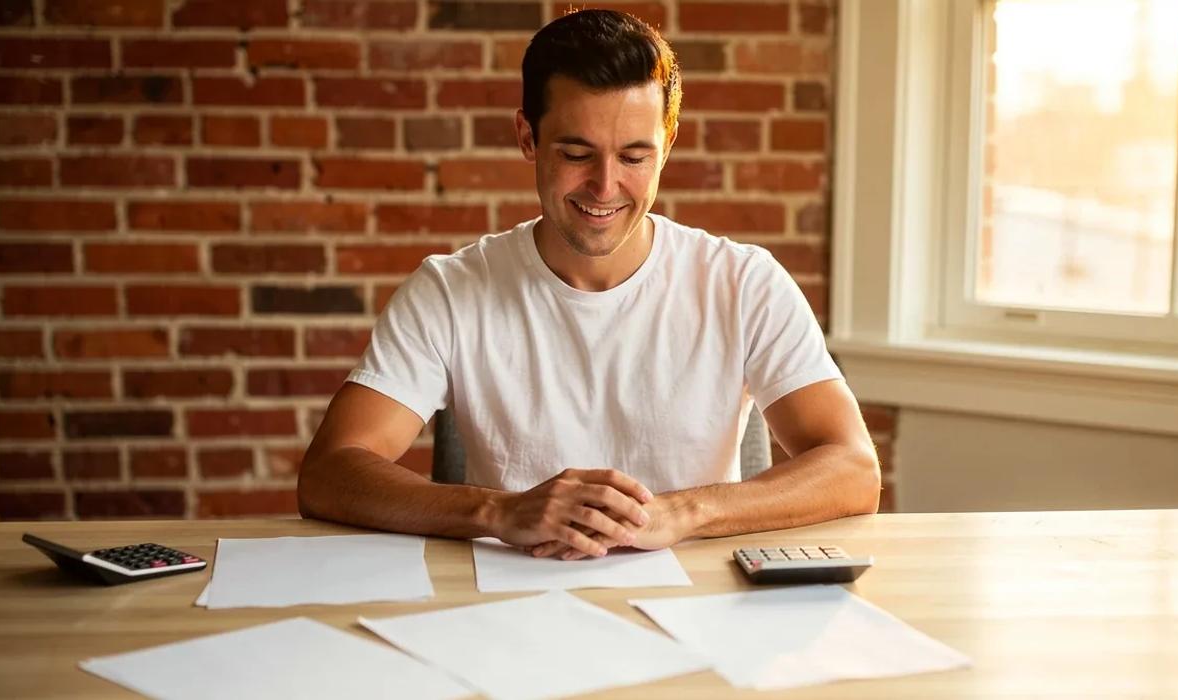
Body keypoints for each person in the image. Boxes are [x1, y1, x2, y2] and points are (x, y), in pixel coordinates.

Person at [297, 9, 879, 560]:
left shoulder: (743, 284)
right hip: (507, 607)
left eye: (634, 156)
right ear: (527, 137)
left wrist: (683, 512)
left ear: (667, 147)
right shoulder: (451, 291)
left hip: (696, 607)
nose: (605, 186)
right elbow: (331, 470)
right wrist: (498, 511)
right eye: (577, 152)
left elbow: (853, 467)